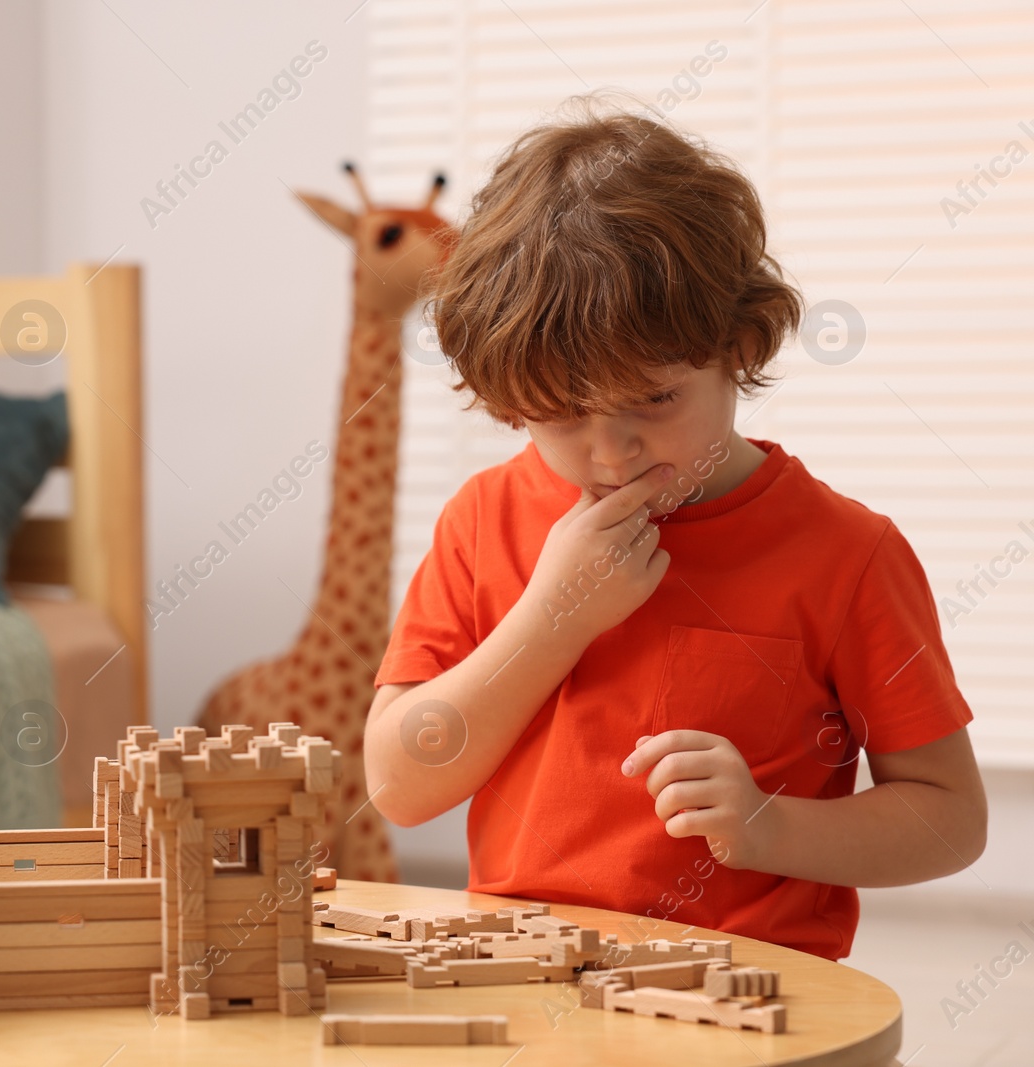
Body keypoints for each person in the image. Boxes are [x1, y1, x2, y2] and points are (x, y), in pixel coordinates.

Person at [362, 95, 987, 960]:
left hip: (746, 999)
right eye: (561, 414)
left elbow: (950, 820)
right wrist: (554, 618)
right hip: (516, 982)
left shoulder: (848, 556)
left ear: (738, 344)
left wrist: (771, 830)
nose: (612, 452)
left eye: (656, 399)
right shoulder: (483, 518)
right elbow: (398, 783)